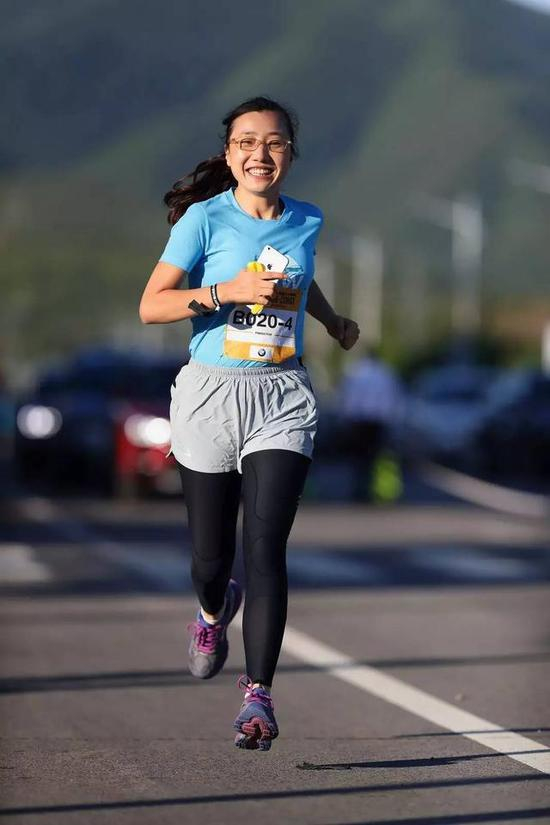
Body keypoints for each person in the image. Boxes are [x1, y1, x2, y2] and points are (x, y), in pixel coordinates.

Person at [139, 96, 359, 751]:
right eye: (247, 142)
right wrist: (223, 292)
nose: (261, 153)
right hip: (210, 395)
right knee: (211, 559)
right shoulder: (204, 220)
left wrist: (331, 321)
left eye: (275, 142)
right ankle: (212, 610)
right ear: (230, 153)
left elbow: (299, 280)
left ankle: (258, 695)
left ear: (291, 152)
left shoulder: (307, 218)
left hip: (282, 395)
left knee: (266, 548)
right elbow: (151, 305)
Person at [337, 345, 403, 501]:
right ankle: (375, 489)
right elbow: (393, 398)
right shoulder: (385, 373)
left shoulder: (355, 372)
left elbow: (348, 398)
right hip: (378, 421)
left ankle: (360, 490)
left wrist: (345, 418)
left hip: (358, 421)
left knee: (358, 459)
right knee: (375, 458)